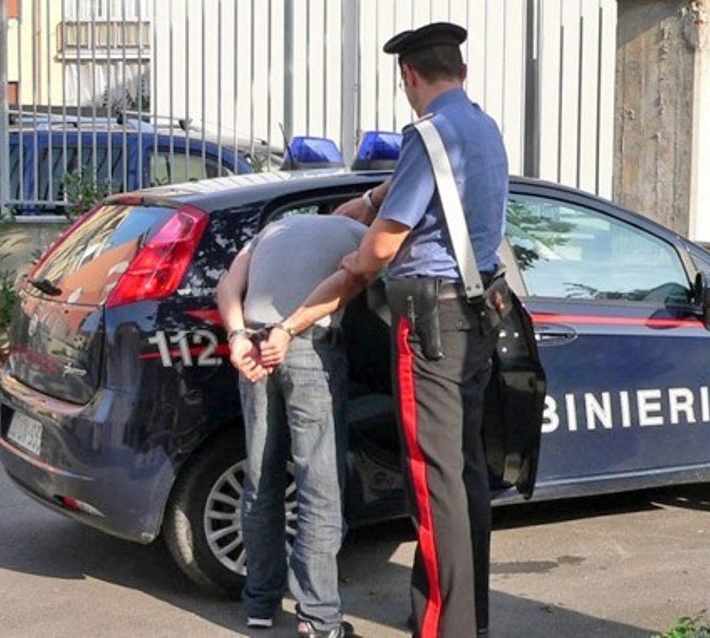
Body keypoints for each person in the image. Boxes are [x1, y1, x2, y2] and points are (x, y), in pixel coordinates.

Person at [275, 22, 509, 637]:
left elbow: (381, 249)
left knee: (433, 483)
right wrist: (373, 198)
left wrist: (353, 259)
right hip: (475, 314)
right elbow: (431, 190)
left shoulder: (426, 135)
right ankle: (468, 619)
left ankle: (443, 628)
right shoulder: (482, 128)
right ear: (460, 71)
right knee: (463, 472)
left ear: (408, 75)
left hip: (430, 321)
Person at [216, 213, 367, 638]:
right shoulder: (359, 233)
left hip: (251, 345)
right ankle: (319, 618)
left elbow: (226, 286)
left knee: (260, 480)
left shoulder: (273, 229)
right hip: (306, 348)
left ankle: (259, 604)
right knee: (319, 485)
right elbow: (359, 279)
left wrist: (237, 337)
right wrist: (287, 329)